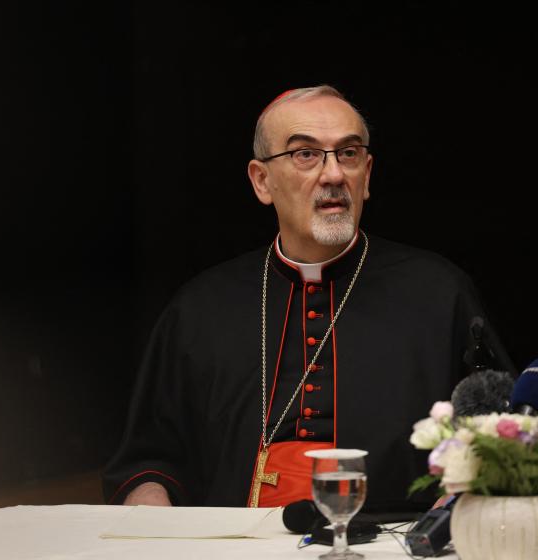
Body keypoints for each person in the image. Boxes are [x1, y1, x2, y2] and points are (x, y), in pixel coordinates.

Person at [102, 85, 514, 514]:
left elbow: (502, 433)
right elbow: (149, 455)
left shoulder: (438, 292)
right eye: (306, 154)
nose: (334, 174)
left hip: (393, 543)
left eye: (349, 154)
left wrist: (466, 496)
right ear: (262, 181)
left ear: (367, 175)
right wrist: (150, 503)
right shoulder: (201, 308)